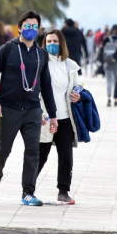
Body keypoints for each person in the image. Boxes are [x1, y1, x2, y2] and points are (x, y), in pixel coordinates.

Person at [0, 11, 58, 206]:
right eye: (28, 26)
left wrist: (53, 115)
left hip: (33, 110)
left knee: (33, 151)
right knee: (2, 151)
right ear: (19, 28)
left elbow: (47, 86)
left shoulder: (41, 54)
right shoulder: (7, 49)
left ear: (39, 30)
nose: (31, 30)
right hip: (8, 108)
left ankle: (28, 193)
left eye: (35, 27)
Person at [37, 29, 80, 205]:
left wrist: (78, 94)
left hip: (65, 117)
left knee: (66, 156)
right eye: (48, 42)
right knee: (40, 155)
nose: (52, 45)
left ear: (61, 43)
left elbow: (77, 86)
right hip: (45, 117)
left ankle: (63, 192)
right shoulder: (39, 63)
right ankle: (28, 189)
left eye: (55, 41)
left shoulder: (70, 66)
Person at [101, 25, 117, 107]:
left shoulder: (106, 39)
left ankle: (109, 98)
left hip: (107, 62)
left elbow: (102, 50)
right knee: (116, 82)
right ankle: (116, 99)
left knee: (109, 81)